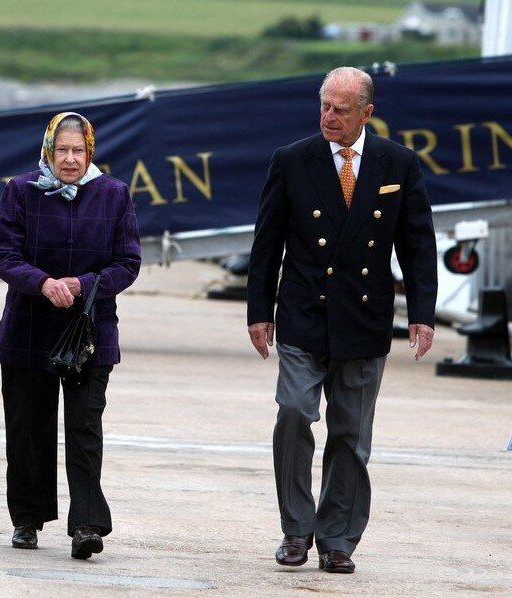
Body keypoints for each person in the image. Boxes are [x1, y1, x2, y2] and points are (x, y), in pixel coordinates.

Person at [246, 67, 437, 574]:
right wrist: (258, 312)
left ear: (367, 113)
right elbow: (267, 243)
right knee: (293, 413)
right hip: (304, 312)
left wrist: (421, 314)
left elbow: (418, 244)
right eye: (325, 105)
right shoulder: (292, 160)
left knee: (351, 434)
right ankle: (295, 528)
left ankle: (337, 539)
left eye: (342, 109)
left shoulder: (398, 163)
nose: (329, 117)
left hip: (365, 317)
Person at [0, 112, 141, 559]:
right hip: (28, 328)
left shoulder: (114, 194)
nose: (69, 160)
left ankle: (88, 524)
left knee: (84, 427)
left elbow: (127, 263)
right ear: (48, 150)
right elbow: (2, 254)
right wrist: (42, 282)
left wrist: (82, 285)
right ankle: (27, 520)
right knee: (28, 429)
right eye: (62, 151)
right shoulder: (20, 190)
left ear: (90, 151)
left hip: (88, 332)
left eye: (78, 151)